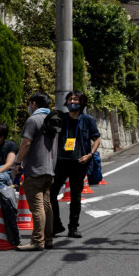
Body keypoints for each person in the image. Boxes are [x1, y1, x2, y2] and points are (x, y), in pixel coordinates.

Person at [50, 91, 100, 239]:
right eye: (70, 99)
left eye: (76, 99)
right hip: (61, 162)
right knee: (52, 193)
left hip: (80, 163)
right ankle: (56, 224)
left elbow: (96, 139)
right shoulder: (61, 118)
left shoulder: (88, 120)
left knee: (75, 196)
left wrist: (90, 155)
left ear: (82, 102)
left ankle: (73, 227)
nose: (73, 101)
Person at [14, 92, 59, 251]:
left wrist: (18, 162)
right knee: (47, 205)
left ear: (33, 103)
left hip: (35, 169)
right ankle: (48, 239)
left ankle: (37, 241)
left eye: (30, 103)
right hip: (49, 169)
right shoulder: (52, 119)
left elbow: (26, 142)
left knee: (37, 206)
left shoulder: (33, 120)